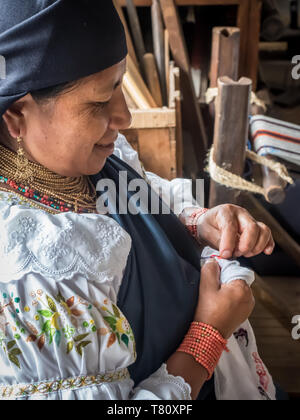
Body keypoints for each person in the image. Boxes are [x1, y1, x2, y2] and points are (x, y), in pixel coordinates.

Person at [0, 0, 276, 400]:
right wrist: (208, 336)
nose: (125, 116)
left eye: (120, 85)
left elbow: (144, 190)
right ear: (16, 117)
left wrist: (198, 221)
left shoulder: (83, 158)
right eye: (98, 102)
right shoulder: (32, 275)